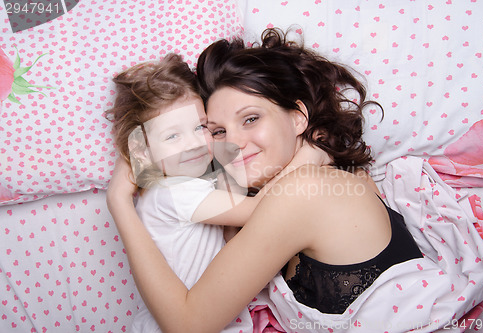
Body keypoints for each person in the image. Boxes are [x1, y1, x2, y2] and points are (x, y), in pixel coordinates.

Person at [106, 28, 423, 332]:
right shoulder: (327, 179)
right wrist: (310, 155)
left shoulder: (305, 189)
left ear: (298, 117)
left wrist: (119, 202)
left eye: (250, 119)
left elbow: (187, 325)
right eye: (216, 131)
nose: (233, 143)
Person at [106, 52, 326, 332]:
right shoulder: (175, 191)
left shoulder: (182, 186)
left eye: (200, 127)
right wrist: (309, 156)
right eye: (172, 136)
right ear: (141, 149)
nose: (194, 144)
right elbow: (264, 209)